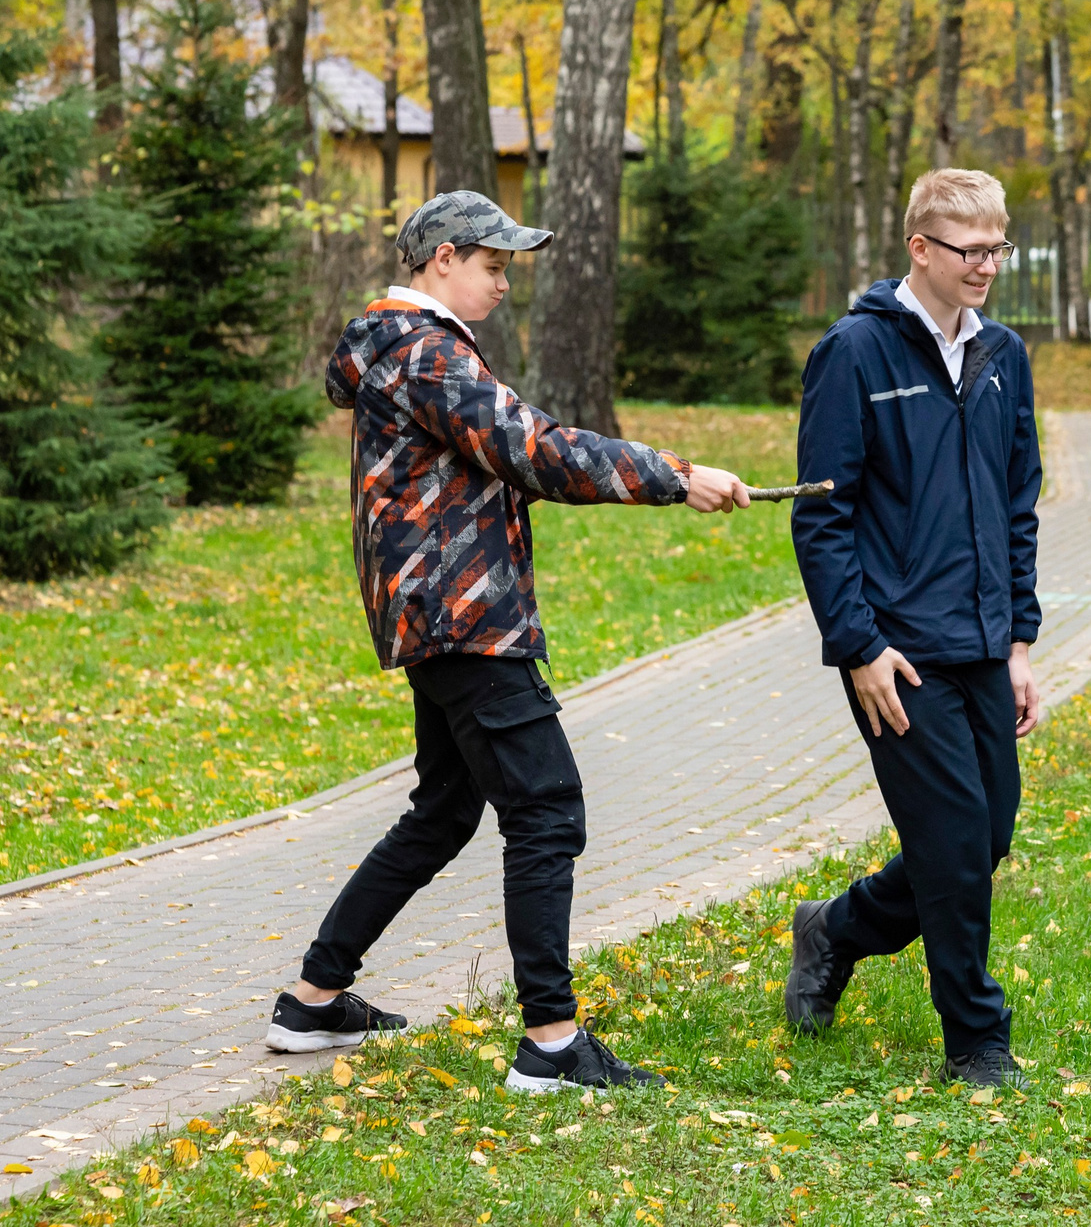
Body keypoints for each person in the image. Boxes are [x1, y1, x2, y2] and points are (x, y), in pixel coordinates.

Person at [264, 190, 752, 1094]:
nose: (502, 283)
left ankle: (313, 999)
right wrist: (676, 477)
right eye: (494, 265)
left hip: (441, 613)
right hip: (467, 616)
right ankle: (552, 1044)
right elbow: (538, 448)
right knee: (546, 806)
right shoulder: (425, 350)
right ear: (442, 257)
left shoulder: (404, 350)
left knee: (446, 811)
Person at [783, 168, 1044, 1088]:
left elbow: (1020, 505)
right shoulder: (856, 352)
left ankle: (836, 927)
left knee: (984, 839)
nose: (987, 266)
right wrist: (858, 646)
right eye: (969, 249)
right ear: (920, 248)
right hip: (896, 650)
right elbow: (820, 514)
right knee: (951, 843)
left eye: (997, 247)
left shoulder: (1003, 353)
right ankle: (977, 1039)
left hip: (982, 643)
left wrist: (1018, 644)